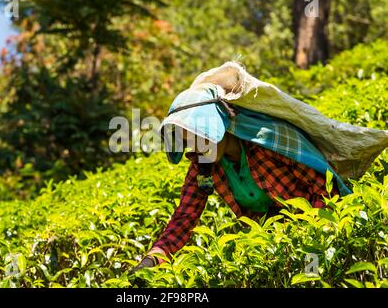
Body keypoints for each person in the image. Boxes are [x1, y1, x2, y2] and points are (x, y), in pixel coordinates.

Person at [129, 83, 351, 274]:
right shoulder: (202, 166)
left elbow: (324, 188)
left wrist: (309, 237)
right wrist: (152, 259)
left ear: (219, 127)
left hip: (314, 233)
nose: (197, 148)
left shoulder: (270, 144)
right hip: (270, 245)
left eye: (200, 136)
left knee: (311, 279)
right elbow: (184, 218)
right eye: (189, 141)